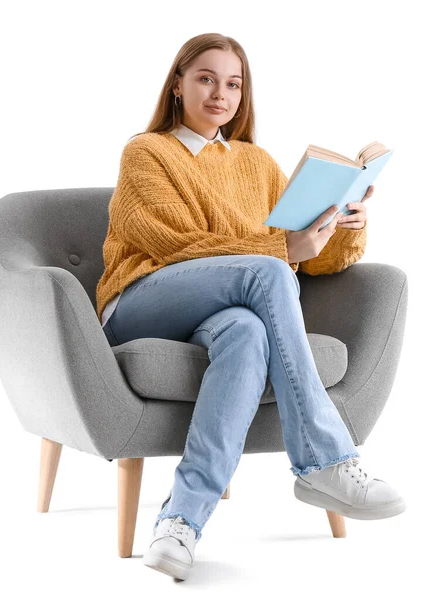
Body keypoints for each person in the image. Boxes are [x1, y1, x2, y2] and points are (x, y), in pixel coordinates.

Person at [96, 33, 405, 581]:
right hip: (142, 298)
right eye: (206, 79)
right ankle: (325, 460)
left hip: (221, 308)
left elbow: (304, 257)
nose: (221, 94)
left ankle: (180, 524)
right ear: (177, 85)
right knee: (265, 270)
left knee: (246, 333)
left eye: (233, 83)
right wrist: (279, 250)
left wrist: (342, 225)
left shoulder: (256, 164)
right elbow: (177, 246)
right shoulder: (146, 151)